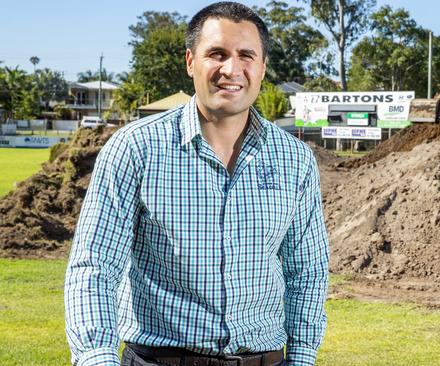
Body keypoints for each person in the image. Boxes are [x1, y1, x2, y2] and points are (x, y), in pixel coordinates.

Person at [64, 2, 329, 366]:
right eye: (216, 54)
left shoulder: (295, 160)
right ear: (191, 61)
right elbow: (94, 267)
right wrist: (96, 357)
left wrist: (301, 358)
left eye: (246, 55)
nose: (231, 69)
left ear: (263, 67)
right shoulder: (135, 148)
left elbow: (307, 271)